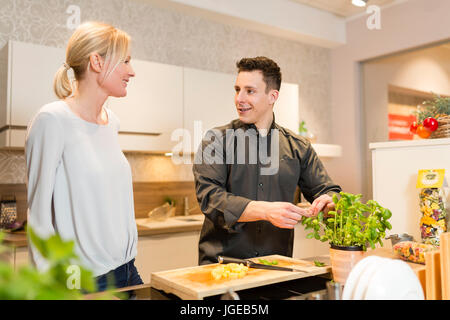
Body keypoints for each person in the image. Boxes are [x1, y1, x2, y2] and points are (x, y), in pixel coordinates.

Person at [25, 21, 143, 291]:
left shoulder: (111, 121)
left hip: (127, 271)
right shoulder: (52, 120)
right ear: (97, 62)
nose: (132, 71)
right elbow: (39, 218)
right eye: (125, 61)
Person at [193, 56, 342, 265]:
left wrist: (330, 202)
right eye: (237, 90)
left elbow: (329, 191)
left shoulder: (299, 147)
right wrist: (264, 210)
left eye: (250, 91)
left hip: (276, 268)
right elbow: (210, 199)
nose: (239, 98)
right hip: (221, 266)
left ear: (272, 96)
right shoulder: (215, 140)